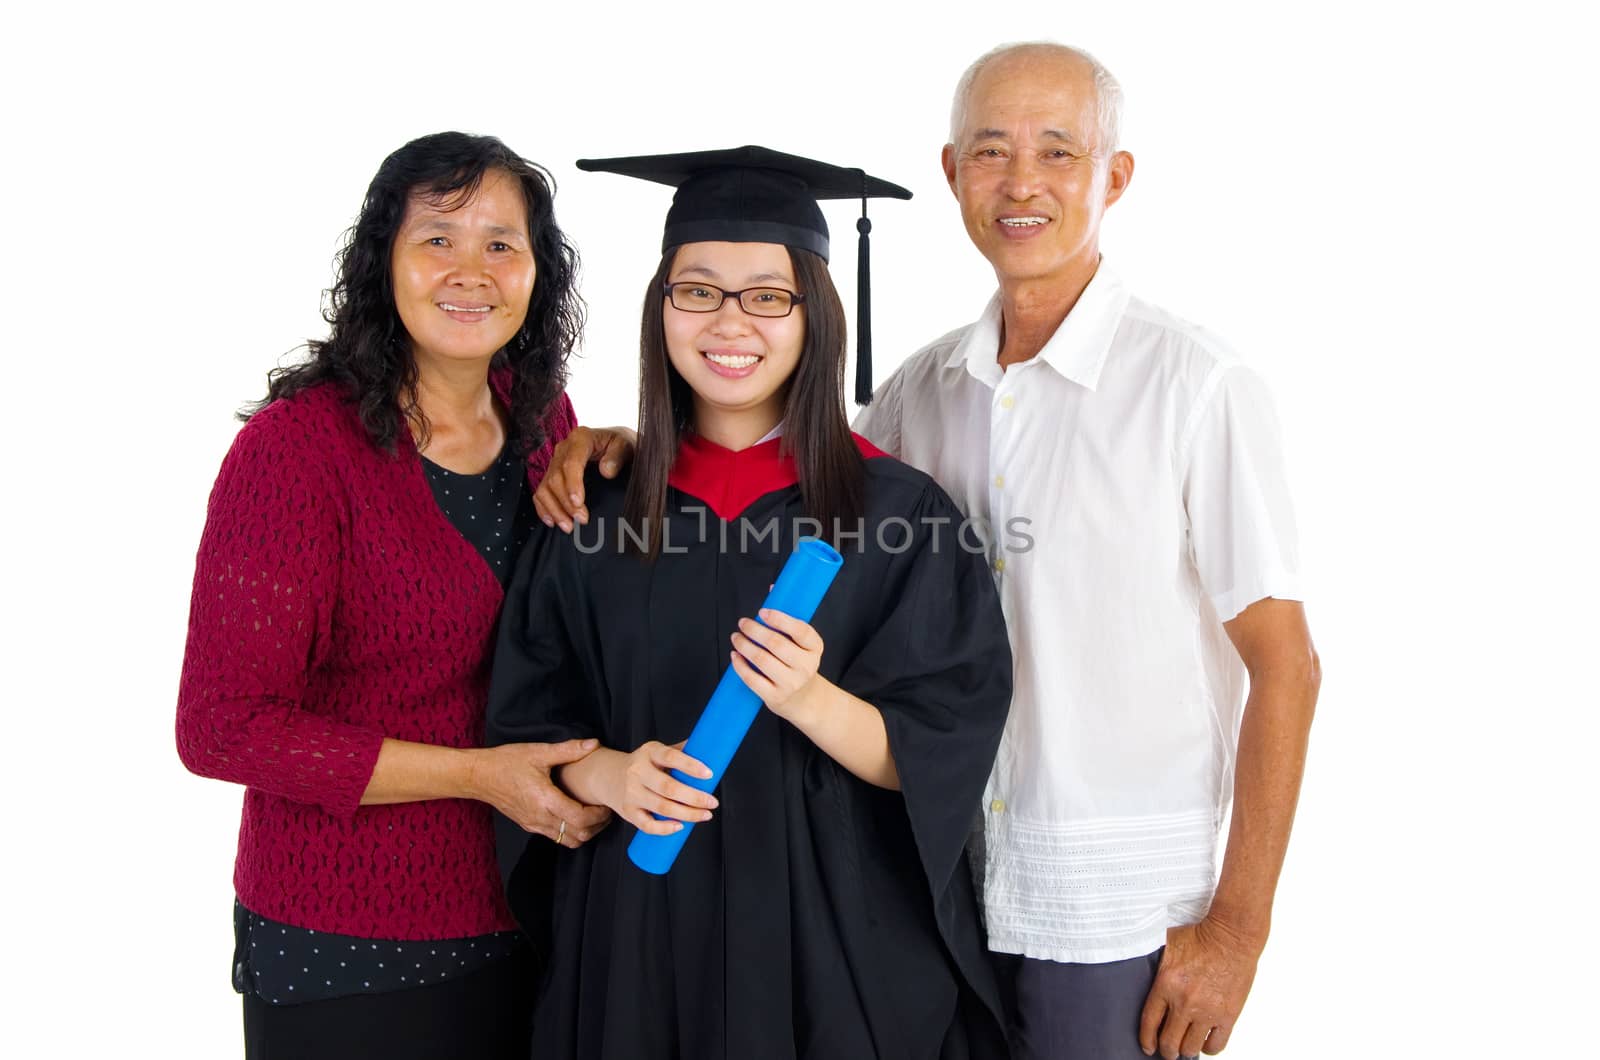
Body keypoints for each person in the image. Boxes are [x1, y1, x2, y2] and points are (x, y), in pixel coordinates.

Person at [538, 44, 1323, 1060]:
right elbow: (778, 448)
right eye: (991, 151)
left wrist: (1237, 928)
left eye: (1056, 151)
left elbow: (1286, 664)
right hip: (941, 883)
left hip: (1107, 903)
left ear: (1113, 176)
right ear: (952, 172)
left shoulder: (1194, 386)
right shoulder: (919, 394)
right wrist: (634, 445)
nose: (1020, 180)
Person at [487, 145, 1014, 1059]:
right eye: (697, 291)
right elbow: (529, 726)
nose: (730, 322)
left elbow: (941, 744)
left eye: (768, 295)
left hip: (837, 933)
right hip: (643, 926)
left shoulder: (898, 511)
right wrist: (608, 775)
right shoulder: (590, 510)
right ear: (660, 311)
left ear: (817, 315)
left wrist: (809, 697)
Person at [174, 131, 611, 1059]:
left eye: (503, 242)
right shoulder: (297, 454)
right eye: (438, 238)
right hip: (348, 945)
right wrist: (480, 777)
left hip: (524, 914)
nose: (472, 270)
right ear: (385, 262)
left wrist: (615, 448)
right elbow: (221, 726)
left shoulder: (543, 418)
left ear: (540, 271)